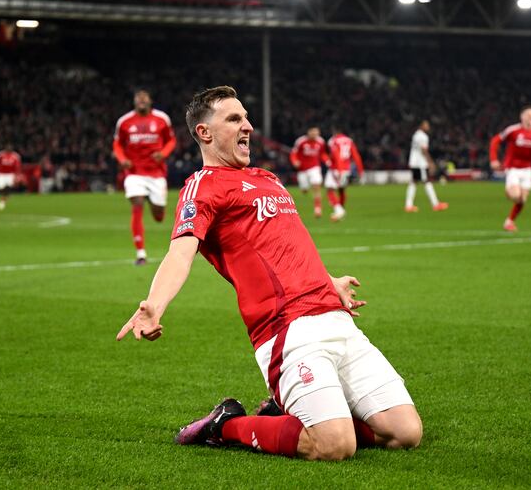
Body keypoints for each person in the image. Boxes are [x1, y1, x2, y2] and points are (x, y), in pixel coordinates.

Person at [117, 86, 422, 461]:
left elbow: (287, 243)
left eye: (246, 117)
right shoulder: (202, 186)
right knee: (334, 446)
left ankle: (291, 416)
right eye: (234, 119)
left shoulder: (268, 178)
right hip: (287, 329)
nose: (247, 126)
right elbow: (180, 253)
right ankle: (224, 425)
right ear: (204, 133)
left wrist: (328, 281)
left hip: (336, 318)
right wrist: (155, 305)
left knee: (406, 433)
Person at [112, 89, 177, 265]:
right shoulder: (124, 122)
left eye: (144, 97)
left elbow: (171, 140)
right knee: (137, 204)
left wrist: (163, 154)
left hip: (156, 173)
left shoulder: (162, 119)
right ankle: (141, 254)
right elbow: (117, 144)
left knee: (159, 216)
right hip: (134, 173)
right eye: (138, 98)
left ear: (150, 100)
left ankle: (152, 200)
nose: (141, 100)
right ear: (134, 102)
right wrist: (122, 159)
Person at [489, 105, 531, 232]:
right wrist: (494, 159)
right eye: (528, 115)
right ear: (522, 117)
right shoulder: (513, 130)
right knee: (516, 196)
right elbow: (495, 140)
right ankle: (509, 191)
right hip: (513, 168)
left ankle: (509, 221)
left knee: (523, 199)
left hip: (527, 169)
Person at [404, 120, 448, 213]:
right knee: (426, 181)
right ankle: (435, 204)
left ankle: (408, 205)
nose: (428, 127)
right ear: (422, 125)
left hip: (413, 161)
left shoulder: (415, 135)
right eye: (426, 125)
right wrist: (430, 162)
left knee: (414, 182)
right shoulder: (423, 136)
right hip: (420, 163)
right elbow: (424, 150)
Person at [324, 129, 364, 222]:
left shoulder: (333, 140)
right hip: (346, 168)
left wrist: (338, 169)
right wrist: (360, 170)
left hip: (336, 168)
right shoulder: (349, 140)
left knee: (330, 189)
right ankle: (340, 211)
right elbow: (356, 155)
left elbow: (335, 154)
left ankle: (339, 210)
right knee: (341, 189)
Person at [290, 127, 330, 218]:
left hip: (315, 168)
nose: (315, 134)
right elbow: (294, 153)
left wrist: (327, 161)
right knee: (304, 190)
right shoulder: (301, 141)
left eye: (317, 132)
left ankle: (318, 208)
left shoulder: (321, 141)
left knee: (316, 186)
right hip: (302, 170)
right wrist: (294, 161)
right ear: (309, 132)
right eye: (313, 132)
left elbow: (322, 153)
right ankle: (305, 189)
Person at [0, 144, 22, 210]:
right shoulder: (0, 155)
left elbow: (17, 167)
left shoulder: (16, 156)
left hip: (10, 175)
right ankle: (5, 196)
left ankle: (3, 201)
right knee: (0, 188)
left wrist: (17, 175)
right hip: (1, 174)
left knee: (8, 188)